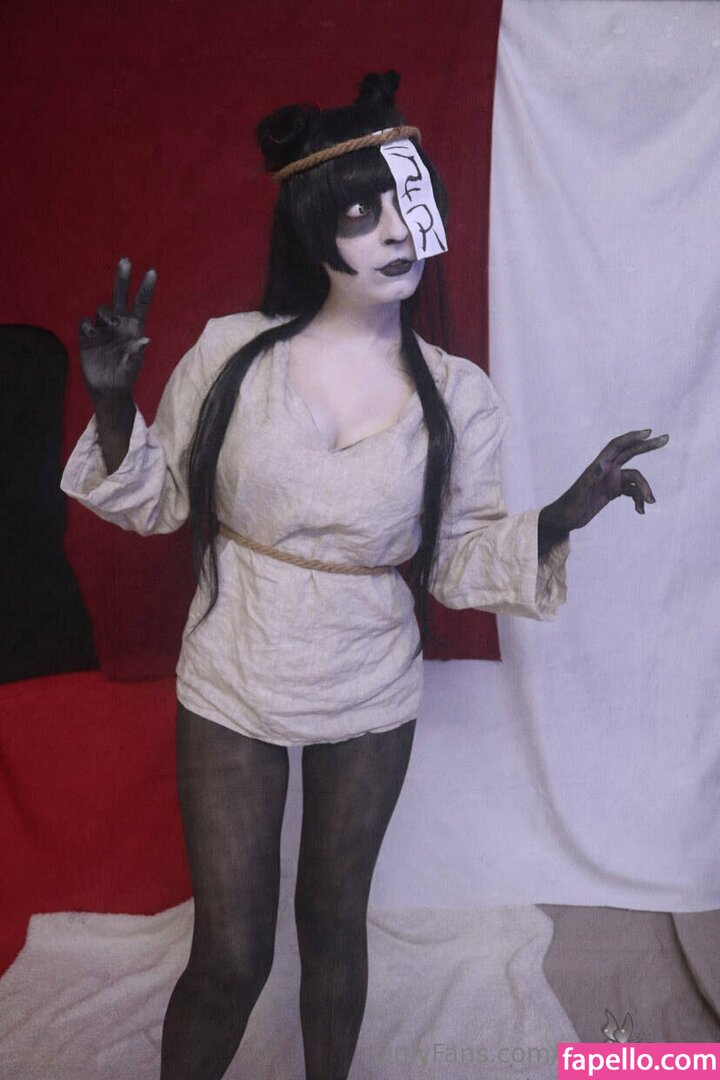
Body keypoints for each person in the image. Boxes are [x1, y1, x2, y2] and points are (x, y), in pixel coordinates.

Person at [61, 71, 668, 1080]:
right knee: (232, 956)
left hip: (369, 677)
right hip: (235, 663)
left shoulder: (460, 396)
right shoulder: (231, 355)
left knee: (336, 924)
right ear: (313, 230)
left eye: (407, 203)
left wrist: (566, 512)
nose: (395, 231)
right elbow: (158, 500)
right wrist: (117, 405)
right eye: (361, 212)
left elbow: (459, 559)